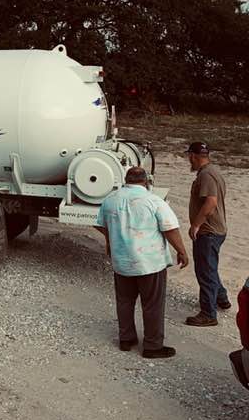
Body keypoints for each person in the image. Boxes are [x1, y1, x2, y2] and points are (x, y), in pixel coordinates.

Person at [96, 166, 189, 359]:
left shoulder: (110, 200)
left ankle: (126, 338)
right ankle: (153, 346)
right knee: (152, 304)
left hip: (122, 261)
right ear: (146, 181)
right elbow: (170, 228)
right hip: (149, 263)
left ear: (125, 180)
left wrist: (109, 241)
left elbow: (100, 223)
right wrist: (181, 251)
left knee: (125, 301)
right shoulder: (154, 201)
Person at [184, 141, 229, 327]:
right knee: (210, 267)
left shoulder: (206, 176)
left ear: (193, 156)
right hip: (216, 229)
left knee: (205, 271)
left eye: (190, 157)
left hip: (208, 231)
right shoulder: (213, 171)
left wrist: (195, 225)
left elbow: (210, 203)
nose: (190, 160)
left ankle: (208, 313)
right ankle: (221, 298)